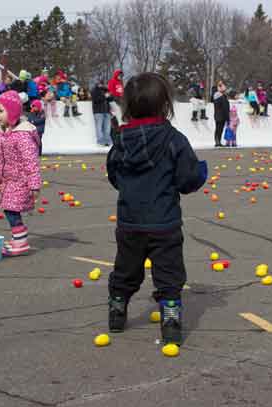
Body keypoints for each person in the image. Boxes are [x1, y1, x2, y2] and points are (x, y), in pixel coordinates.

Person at [106, 72, 208, 346]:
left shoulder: (120, 142)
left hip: (130, 222)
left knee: (126, 267)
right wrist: (201, 171)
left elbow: (114, 176)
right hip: (164, 223)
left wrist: (131, 188)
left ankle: (117, 307)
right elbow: (187, 180)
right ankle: (171, 318)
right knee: (168, 272)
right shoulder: (174, 140)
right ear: (165, 105)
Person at [0, 91, 42, 256]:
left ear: (11, 112)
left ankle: (20, 242)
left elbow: (31, 161)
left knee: (11, 209)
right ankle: (18, 238)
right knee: (10, 210)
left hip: (21, 180)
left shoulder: (23, 135)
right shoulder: (1, 133)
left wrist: (34, 184)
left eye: (0, 111)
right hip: (8, 180)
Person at [91, 80, 113, 146]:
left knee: (107, 128)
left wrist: (109, 96)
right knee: (99, 127)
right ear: (97, 84)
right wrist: (105, 96)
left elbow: (111, 99)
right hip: (98, 112)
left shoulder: (106, 90)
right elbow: (96, 99)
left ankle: (108, 141)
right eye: (100, 84)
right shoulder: (94, 91)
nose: (101, 85)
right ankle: (100, 141)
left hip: (107, 111)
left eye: (102, 84)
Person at [213, 81, 230, 147]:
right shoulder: (222, 97)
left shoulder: (216, 96)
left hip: (217, 115)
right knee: (219, 129)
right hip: (222, 115)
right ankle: (218, 142)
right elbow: (225, 108)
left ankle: (217, 141)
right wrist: (228, 118)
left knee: (217, 129)